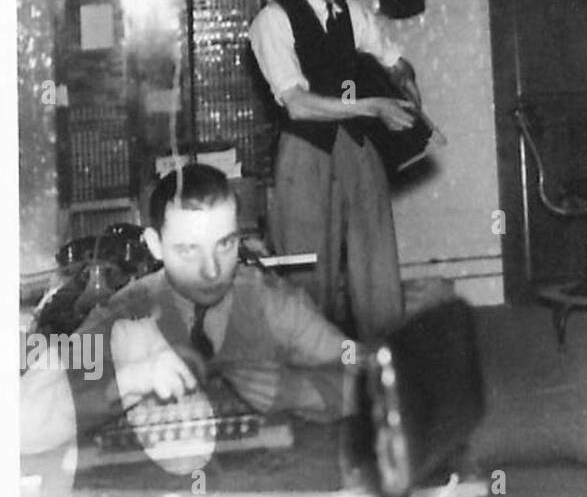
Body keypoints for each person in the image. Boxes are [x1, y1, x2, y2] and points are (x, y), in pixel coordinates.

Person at [20, 165, 360, 456]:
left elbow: (372, 379)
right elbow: (21, 426)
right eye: (188, 250)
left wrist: (298, 391)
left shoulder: (271, 301)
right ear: (156, 246)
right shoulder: (123, 312)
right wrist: (124, 383)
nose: (212, 271)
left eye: (225, 244)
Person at [250, 0, 419, 342]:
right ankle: (311, 374)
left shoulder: (353, 14)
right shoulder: (274, 19)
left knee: (378, 264)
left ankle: (386, 367)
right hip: (305, 150)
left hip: (356, 146)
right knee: (308, 271)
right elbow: (299, 105)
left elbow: (392, 58)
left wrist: (404, 79)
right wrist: (373, 105)